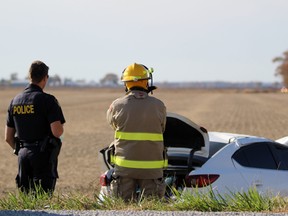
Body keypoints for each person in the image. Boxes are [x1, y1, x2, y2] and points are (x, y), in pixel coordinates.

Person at [107, 63, 167, 201]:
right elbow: (162, 128)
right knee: (152, 210)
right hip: (152, 171)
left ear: (126, 83)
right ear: (147, 81)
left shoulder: (116, 105)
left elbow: (113, 125)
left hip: (124, 169)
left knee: (123, 209)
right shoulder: (159, 105)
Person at [5, 60, 65, 195]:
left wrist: (22, 149)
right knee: (42, 200)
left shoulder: (15, 101)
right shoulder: (48, 100)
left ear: (29, 77)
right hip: (42, 155)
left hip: (22, 155)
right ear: (45, 78)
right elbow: (57, 132)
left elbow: (8, 138)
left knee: (26, 201)